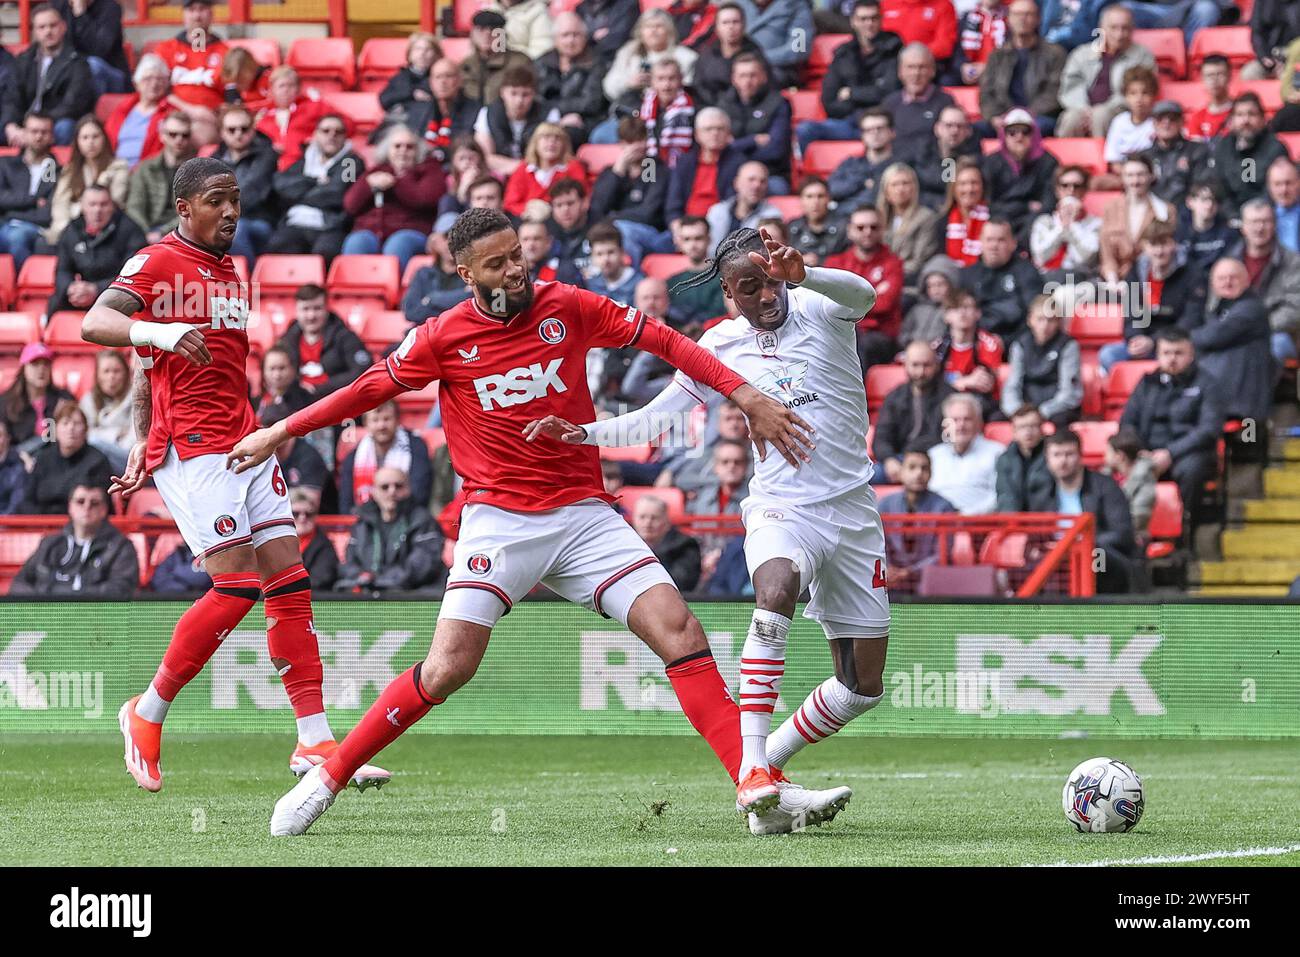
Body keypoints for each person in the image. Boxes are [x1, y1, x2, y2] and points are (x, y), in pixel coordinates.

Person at [231, 207, 817, 835]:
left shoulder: (568, 304)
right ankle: (327, 778)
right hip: (499, 521)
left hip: (584, 515)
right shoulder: (441, 337)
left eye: (517, 255)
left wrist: (747, 396)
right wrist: (279, 430)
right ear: (465, 274)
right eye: (498, 263)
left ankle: (757, 785)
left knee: (680, 631)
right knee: (447, 668)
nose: (516, 269)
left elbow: (669, 343)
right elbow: (368, 389)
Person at [548, 225, 883, 833]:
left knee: (861, 687)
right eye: (748, 288)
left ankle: (764, 768)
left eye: (770, 280)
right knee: (775, 588)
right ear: (730, 294)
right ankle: (752, 768)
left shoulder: (818, 305)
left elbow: (864, 295)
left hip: (855, 513)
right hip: (783, 507)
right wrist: (587, 434)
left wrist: (805, 273)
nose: (766, 296)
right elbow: (657, 420)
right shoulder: (721, 343)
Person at [82, 155, 391, 794]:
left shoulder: (231, 270)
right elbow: (97, 323)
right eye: (217, 200)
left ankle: (312, 738)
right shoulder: (157, 261)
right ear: (184, 207)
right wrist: (159, 345)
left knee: (290, 581)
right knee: (237, 585)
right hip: (194, 452)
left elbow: (145, 365)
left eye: (236, 199)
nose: (231, 210)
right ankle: (147, 710)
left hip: (246, 442)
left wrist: (139, 422)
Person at [1118, 327, 1223, 514]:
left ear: (1191, 354)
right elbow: (1127, 421)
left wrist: (1170, 453)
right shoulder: (1147, 382)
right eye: (1166, 353)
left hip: (1186, 453)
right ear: (1158, 355)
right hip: (1145, 451)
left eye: (1178, 353)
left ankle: (1183, 528)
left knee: (1191, 470)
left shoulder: (1207, 383)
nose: (1172, 359)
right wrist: (1139, 451)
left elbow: (1209, 429)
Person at [1031, 429, 1136, 592]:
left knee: (1097, 558)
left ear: (1080, 456)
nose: (1063, 461)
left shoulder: (1106, 486)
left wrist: (1083, 545)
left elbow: (1122, 533)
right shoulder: (1043, 495)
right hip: (1058, 559)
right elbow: (1037, 538)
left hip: (1098, 555)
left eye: (1069, 454)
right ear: (1047, 460)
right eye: (1057, 455)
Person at [1098, 218, 1206, 371]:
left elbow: (1191, 319)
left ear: (1174, 244)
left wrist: (1155, 341)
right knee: (1108, 355)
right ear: (1144, 247)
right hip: (1143, 341)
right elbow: (1130, 315)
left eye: (1164, 244)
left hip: (1175, 344)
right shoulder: (1135, 272)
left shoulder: (1192, 273)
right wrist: (1135, 338)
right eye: (1153, 245)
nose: (1159, 251)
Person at [799, 0, 902, 151]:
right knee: (805, 129)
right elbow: (829, 100)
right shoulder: (843, 53)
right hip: (848, 123)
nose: (869, 23)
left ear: (881, 20)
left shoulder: (894, 49)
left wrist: (852, 93)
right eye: (863, 19)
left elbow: (890, 92)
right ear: (853, 21)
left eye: (874, 18)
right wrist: (866, 98)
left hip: (882, 125)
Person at [341, 124, 443, 272]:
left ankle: (395, 293)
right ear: (388, 150)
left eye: (409, 147)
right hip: (370, 232)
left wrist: (398, 181)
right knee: (356, 241)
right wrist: (367, 185)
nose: (403, 151)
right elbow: (350, 205)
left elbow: (425, 199)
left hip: (412, 232)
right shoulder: (377, 171)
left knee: (398, 243)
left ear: (418, 151)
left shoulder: (429, 170)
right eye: (397, 146)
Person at [9, 483, 137, 597]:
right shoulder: (50, 543)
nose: (87, 507)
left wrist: (70, 600)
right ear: (70, 506)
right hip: (45, 618)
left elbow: (120, 590)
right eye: (80, 501)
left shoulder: (120, 547)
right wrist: (40, 607)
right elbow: (19, 584)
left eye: (94, 503)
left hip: (94, 619)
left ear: (104, 510)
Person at [334, 466, 446, 593]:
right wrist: (363, 578)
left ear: (408, 489)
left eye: (398, 486)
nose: (392, 491)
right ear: (374, 492)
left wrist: (378, 581)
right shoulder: (361, 524)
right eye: (384, 487)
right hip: (369, 596)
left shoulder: (423, 520)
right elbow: (349, 565)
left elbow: (422, 566)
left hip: (411, 598)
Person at [1194, 258, 1275, 429]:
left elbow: (1212, 337)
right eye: (1221, 278)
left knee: (1248, 448)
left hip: (1246, 406)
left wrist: (1185, 338)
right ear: (1213, 284)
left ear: (1246, 280)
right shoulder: (1217, 310)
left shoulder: (1251, 308)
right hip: (1224, 399)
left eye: (1233, 277)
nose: (1227, 282)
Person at [267, 114, 358, 260]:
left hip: (329, 225)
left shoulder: (351, 162)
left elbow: (337, 194)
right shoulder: (305, 159)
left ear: (345, 137)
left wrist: (298, 196)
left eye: (338, 132)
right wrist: (315, 182)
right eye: (326, 131)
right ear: (316, 135)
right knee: (276, 249)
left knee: (325, 252)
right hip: (295, 223)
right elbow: (281, 185)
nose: (332, 135)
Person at [1, 4, 94, 146]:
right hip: (25, 124)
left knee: (65, 128)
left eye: (53, 25)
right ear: (35, 32)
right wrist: (10, 126)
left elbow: (72, 105)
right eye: (42, 27)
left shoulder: (78, 63)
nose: (48, 31)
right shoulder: (23, 60)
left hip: (54, 123)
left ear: (63, 27)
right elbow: (12, 99)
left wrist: (36, 127)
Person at [1055, 5, 1154, 138]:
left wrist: (1101, 109)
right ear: (1101, 28)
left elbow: (1140, 91)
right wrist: (1083, 109)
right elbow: (1070, 86)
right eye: (1113, 28)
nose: (1119, 34)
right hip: (1082, 109)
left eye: (1125, 28)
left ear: (1132, 29)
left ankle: (1105, 158)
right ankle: (1067, 158)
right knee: (1071, 118)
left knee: (1101, 115)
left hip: (1120, 111)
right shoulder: (1082, 53)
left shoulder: (1142, 56)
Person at [825, 205, 903, 370]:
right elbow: (828, 303)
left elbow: (884, 305)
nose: (867, 232)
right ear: (850, 231)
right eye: (860, 228)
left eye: (873, 227)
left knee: (860, 343)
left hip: (878, 337)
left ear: (882, 230)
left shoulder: (893, 264)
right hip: (839, 331)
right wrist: (871, 296)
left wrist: (846, 298)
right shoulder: (835, 263)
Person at [49, 184, 146, 314]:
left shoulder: (130, 230)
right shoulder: (72, 230)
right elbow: (62, 270)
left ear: (112, 206)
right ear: (83, 207)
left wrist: (97, 289)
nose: (98, 210)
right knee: (56, 300)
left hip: (117, 297)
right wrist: (70, 288)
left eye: (103, 204)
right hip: (80, 296)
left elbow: (133, 277)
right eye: (92, 204)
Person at [589, 117, 671, 266]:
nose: (637, 146)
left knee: (624, 231)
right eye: (630, 142)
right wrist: (617, 173)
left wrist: (612, 217)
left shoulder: (653, 167)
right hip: (615, 229)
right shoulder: (612, 172)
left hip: (653, 234)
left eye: (640, 140)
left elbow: (648, 213)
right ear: (621, 144)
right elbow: (597, 209)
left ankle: (629, 279)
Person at [1227, 198, 1300, 363]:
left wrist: (1259, 326)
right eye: (1253, 222)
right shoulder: (1229, 261)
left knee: (1276, 345)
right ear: (1243, 227)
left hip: (1276, 332)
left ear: (1275, 225)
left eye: (1265, 222)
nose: (1259, 228)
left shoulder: (1293, 262)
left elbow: (1296, 309)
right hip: (1235, 329)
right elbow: (1215, 304)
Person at [978, 0, 1064, 136]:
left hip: (1039, 117)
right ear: (1008, 19)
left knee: (1038, 128)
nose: (1022, 19)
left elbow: (1054, 92)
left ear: (1038, 19)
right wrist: (994, 117)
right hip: (1003, 117)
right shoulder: (997, 55)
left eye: (1028, 14)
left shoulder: (1054, 53)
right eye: (1017, 14)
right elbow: (986, 93)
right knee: (970, 131)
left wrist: (1023, 117)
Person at [877, 447, 956, 591]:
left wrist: (910, 572)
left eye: (924, 468)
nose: (919, 473)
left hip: (930, 580)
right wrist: (888, 568)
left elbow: (942, 554)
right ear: (901, 472)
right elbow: (878, 545)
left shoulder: (944, 507)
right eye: (912, 467)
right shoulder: (885, 505)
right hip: (890, 578)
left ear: (931, 474)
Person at [873, 340, 953, 483]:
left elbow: (951, 438)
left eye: (926, 365)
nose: (921, 372)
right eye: (915, 365)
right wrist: (889, 460)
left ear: (936, 365)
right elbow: (881, 437)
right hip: (901, 460)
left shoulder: (950, 396)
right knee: (863, 477)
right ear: (905, 365)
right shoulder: (894, 397)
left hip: (937, 461)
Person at [275, 284, 372, 399]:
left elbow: (362, 372)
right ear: (297, 311)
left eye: (317, 308)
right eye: (305, 309)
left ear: (327, 309)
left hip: (335, 402)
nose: (311, 316)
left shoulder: (346, 337)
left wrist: (318, 388)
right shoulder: (287, 340)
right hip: (295, 404)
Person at [150, 0, 227, 145]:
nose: (197, 16)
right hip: (171, 115)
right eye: (192, 10)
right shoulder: (165, 49)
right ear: (184, 14)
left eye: (202, 9)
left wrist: (218, 116)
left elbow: (231, 97)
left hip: (208, 120)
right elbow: (157, 91)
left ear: (211, 13)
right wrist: (192, 110)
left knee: (200, 134)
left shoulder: (225, 52)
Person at [1000, 294, 1083, 427]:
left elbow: (1069, 392)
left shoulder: (1068, 345)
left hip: (1056, 408)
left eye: (1051, 320)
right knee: (996, 418)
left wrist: (1042, 412)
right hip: (1026, 406)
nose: (1045, 325)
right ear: (1030, 320)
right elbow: (1012, 384)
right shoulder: (1020, 345)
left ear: (1058, 322)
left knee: (1061, 421)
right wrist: (1017, 411)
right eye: (1040, 319)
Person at [45, 114, 129, 246]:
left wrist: (77, 210)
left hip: (109, 230)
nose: (90, 142)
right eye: (85, 137)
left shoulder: (119, 167)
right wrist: (66, 229)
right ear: (77, 142)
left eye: (95, 136)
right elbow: (60, 204)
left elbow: (114, 202)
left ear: (104, 139)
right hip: (71, 230)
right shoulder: (70, 170)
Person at [338, 399, 433, 513]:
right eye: (375, 420)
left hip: (407, 516)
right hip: (365, 521)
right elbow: (346, 502)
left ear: (398, 421)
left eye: (387, 419)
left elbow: (420, 493)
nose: (381, 425)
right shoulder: (355, 456)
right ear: (366, 424)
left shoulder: (416, 447)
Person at [21, 400, 113, 514]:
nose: (71, 428)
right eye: (65, 423)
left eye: (77, 423)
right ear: (55, 429)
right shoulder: (43, 459)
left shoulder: (98, 461)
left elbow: (102, 506)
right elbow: (27, 500)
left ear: (85, 430)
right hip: (41, 524)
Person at [212, 104, 279, 261]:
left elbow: (253, 193)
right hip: (221, 219)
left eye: (244, 129)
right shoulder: (212, 161)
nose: (238, 134)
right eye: (231, 129)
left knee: (235, 230)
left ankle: (245, 281)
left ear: (252, 130)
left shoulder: (267, 156)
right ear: (222, 132)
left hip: (259, 221)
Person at [956, 218, 1042, 339]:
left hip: (1015, 342)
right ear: (981, 241)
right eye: (989, 240)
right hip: (976, 342)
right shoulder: (966, 275)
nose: (994, 246)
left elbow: (1034, 315)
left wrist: (1005, 342)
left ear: (1013, 243)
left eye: (1000, 240)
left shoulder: (1027, 272)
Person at [1208, 94, 1289, 218]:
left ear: (1263, 119)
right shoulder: (1223, 146)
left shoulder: (1276, 148)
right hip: (1229, 218)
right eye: (1240, 115)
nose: (1245, 120)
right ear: (1232, 120)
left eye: (1251, 114)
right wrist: (1233, 216)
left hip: (1266, 217)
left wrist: (1253, 214)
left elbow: (1277, 191)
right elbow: (1219, 187)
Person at [716, 53, 789, 191]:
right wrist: (753, 141)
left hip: (769, 173)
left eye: (753, 75)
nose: (748, 81)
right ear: (734, 79)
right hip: (730, 171)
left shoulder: (778, 103)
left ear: (763, 77)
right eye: (742, 76)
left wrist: (734, 146)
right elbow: (718, 148)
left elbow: (776, 150)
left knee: (779, 188)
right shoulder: (724, 104)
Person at [982, 108, 1057, 240]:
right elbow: (988, 202)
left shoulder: (1048, 162)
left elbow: (1048, 204)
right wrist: (1025, 206)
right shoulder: (991, 162)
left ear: (1033, 134)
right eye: (1012, 132)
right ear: (1004, 135)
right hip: (999, 220)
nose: (1019, 136)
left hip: (1033, 224)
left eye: (1025, 131)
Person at [534, 14, 607, 146]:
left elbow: (591, 103)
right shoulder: (541, 63)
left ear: (585, 37)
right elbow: (536, 99)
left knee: (566, 136)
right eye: (565, 35)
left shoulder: (597, 63)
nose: (570, 41)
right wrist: (556, 117)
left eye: (576, 35)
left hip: (583, 121)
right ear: (555, 39)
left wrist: (555, 110)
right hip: (547, 119)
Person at [933, 287, 1003, 423]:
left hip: (980, 403)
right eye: (955, 308)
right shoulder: (938, 347)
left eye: (967, 307)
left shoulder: (988, 343)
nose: (962, 313)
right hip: (945, 402)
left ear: (978, 313)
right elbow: (933, 384)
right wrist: (965, 382)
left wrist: (951, 382)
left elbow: (985, 383)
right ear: (946, 316)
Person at [926, 393, 1004, 515]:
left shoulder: (997, 452)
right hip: (937, 526)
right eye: (955, 420)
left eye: (967, 419)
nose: (961, 425)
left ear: (979, 423)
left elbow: (1001, 495)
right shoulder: (933, 455)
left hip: (980, 526)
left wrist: (965, 515)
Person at [125, 112, 197, 244]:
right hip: (144, 232)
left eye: (185, 135)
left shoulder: (197, 171)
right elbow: (134, 206)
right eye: (173, 134)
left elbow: (194, 211)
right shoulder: (145, 168)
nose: (179, 139)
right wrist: (146, 232)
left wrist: (162, 233)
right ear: (162, 136)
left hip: (183, 234)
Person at [665, 108, 743, 227]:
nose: (715, 133)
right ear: (697, 135)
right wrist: (676, 227)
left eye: (720, 129)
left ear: (728, 134)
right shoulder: (684, 162)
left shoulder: (739, 163)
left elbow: (731, 204)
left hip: (720, 227)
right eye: (708, 129)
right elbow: (673, 204)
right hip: (685, 228)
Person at [1099, 155, 1172, 284]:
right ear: (1122, 178)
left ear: (1151, 176)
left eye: (1141, 175)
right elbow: (1107, 256)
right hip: (1116, 279)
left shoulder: (1165, 210)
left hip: (1151, 280)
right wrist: (1113, 283)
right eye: (1130, 175)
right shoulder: (1111, 208)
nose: (1135, 181)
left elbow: (1167, 251)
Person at [0, 111, 58, 269]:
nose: (39, 136)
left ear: (52, 136)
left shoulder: (58, 171)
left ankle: (19, 288)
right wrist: (33, 201)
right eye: (34, 131)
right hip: (4, 224)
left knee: (17, 236)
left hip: (37, 229)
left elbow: (47, 213)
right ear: (24, 133)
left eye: (44, 132)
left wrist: (11, 210)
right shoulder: (5, 164)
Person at [259, 403, 338, 515]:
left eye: (277, 425)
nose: (273, 432)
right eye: (269, 426)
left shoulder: (309, 456)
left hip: (317, 522)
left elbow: (307, 505)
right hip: (282, 520)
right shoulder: (265, 455)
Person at [901, 104, 980, 210]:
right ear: (937, 129)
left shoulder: (973, 158)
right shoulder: (919, 152)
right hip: (919, 210)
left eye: (960, 126)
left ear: (967, 131)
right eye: (949, 125)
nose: (954, 131)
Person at [880, 43, 956, 153]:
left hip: (933, 164)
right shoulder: (889, 104)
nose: (916, 73)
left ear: (932, 71)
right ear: (900, 72)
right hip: (898, 165)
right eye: (910, 67)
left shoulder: (945, 102)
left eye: (922, 67)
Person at [503, 122, 587, 220]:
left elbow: (583, 198)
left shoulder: (573, 167)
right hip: (526, 220)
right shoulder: (523, 169)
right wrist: (529, 210)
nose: (552, 142)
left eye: (557, 138)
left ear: (564, 145)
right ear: (535, 143)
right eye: (546, 137)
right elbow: (510, 203)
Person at [473, 65, 547, 176]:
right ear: (502, 93)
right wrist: (523, 168)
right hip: (499, 175)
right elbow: (484, 157)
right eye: (513, 93)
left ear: (534, 94)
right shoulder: (487, 113)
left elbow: (551, 156)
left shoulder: (548, 113)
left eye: (525, 94)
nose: (519, 100)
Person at [1029, 165, 1101, 278]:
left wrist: (1072, 225)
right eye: (1065, 185)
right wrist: (1061, 227)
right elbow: (1040, 257)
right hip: (1046, 280)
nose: (1071, 190)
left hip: (1080, 281)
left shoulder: (1095, 223)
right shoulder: (1043, 222)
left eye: (1077, 186)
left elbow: (1085, 259)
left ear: (1085, 190)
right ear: (1057, 190)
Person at [104, 53, 174, 169]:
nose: (154, 84)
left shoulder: (170, 112)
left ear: (167, 83)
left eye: (160, 79)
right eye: (148, 79)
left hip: (146, 173)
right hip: (114, 169)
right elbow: (107, 140)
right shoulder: (124, 108)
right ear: (137, 83)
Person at [2, 341, 75, 449]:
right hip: (18, 461)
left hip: (56, 459)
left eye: (46, 364)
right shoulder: (6, 402)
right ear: (24, 367)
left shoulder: (64, 398)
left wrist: (60, 418)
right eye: (35, 363)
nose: (41, 369)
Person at [877, 163, 938, 290]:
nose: (900, 189)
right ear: (886, 191)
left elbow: (919, 261)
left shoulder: (926, 218)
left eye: (905, 183)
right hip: (876, 279)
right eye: (894, 184)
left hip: (907, 284)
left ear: (914, 188)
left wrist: (887, 274)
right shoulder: (877, 218)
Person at [254, 67, 328, 172]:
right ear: (272, 90)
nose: (286, 90)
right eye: (281, 86)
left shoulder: (314, 107)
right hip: (271, 170)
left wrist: (320, 137)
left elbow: (346, 125)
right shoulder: (263, 119)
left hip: (305, 166)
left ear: (298, 89)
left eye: (291, 85)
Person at [1137, 100, 1207, 210]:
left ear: (1182, 122)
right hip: (1152, 213)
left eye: (1172, 118)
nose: (1166, 123)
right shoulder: (1144, 156)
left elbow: (1200, 187)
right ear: (1154, 123)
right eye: (1160, 118)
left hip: (1186, 213)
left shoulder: (1197, 151)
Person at [49, 0, 129, 96]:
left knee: (92, 65)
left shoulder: (110, 8)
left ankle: (95, 110)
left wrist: (80, 15)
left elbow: (98, 49)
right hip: (73, 69)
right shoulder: (59, 7)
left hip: (111, 73)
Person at [411, 57, 482, 164]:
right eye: (438, 77)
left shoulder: (475, 110)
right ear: (431, 83)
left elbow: (467, 146)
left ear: (459, 80)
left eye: (448, 76)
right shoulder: (419, 110)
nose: (443, 82)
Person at [692, 2, 764, 107]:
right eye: (725, 22)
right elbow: (698, 87)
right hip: (710, 111)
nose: (731, 27)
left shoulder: (756, 54)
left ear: (744, 25)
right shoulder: (706, 55)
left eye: (735, 22)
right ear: (716, 27)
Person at [460, 10, 535, 106]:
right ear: (472, 34)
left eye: (493, 30)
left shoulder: (520, 63)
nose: (487, 34)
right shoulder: (465, 65)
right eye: (481, 29)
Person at [731, 0, 812, 88]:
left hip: (778, 70)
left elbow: (798, 50)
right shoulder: (739, 5)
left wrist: (759, 59)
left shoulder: (797, 6)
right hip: (737, 66)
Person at [829, 108, 897, 213]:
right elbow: (831, 190)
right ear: (863, 136)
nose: (875, 133)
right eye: (869, 130)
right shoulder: (850, 163)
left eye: (880, 128)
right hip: (844, 219)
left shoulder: (900, 166)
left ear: (892, 132)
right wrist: (861, 182)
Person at [1100, 65, 1158, 184]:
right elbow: (1114, 162)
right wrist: (1131, 176)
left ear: (1153, 95)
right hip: (1124, 176)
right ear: (1125, 96)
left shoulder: (1158, 123)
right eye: (1133, 93)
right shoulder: (1119, 121)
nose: (1139, 99)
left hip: (1150, 178)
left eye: (1145, 93)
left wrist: (1140, 177)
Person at [705, 160, 781, 250]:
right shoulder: (717, 211)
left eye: (762, 181)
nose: (757, 185)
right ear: (736, 183)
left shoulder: (772, 216)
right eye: (751, 179)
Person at [79, 351, 134, 474]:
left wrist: (99, 436)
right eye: (106, 371)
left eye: (116, 371)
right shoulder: (89, 399)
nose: (111, 377)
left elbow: (131, 444)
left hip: (129, 461)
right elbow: (82, 435)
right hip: (98, 461)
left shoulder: (137, 397)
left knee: (94, 442)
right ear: (97, 375)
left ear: (126, 373)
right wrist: (116, 434)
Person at [632, 494, 701, 591]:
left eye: (654, 518)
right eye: (642, 517)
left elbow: (682, 582)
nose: (647, 523)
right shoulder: (625, 546)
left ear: (667, 522)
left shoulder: (686, 545)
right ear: (634, 519)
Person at [403, 231, 475, 323]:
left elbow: (470, 308)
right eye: (446, 237)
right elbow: (411, 312)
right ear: (435, 242)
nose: (452, 243)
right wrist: (457, 298)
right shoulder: (423, 274)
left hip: (459, 332)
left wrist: (432, 299)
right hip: (425, 332)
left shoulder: (471, 273)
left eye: (458, 238)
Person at [668, 215, 728, 325]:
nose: (693, 245)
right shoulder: (672, 282)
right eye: (687, 239)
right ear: (679, 242)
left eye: (698, 238)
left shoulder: (724, 276)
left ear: (709, 239)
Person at [639, 58, 696, 172]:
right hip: (649, 165)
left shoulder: (692, 109)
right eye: (660, 79)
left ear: (681, 79)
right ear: (652, 81)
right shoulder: (642, 107)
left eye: (671, 78)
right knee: (648, 185)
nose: (666, 85)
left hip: (682, 169)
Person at [994, 403, 1052, 511]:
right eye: (1022, 427)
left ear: (1042, 429)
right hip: (1016, 523)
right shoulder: (1004, 459)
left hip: (1046, 521)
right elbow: (1005, 496)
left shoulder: (1053, 455)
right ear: (1014, 432)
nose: (1028, 432)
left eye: (1033, 426)